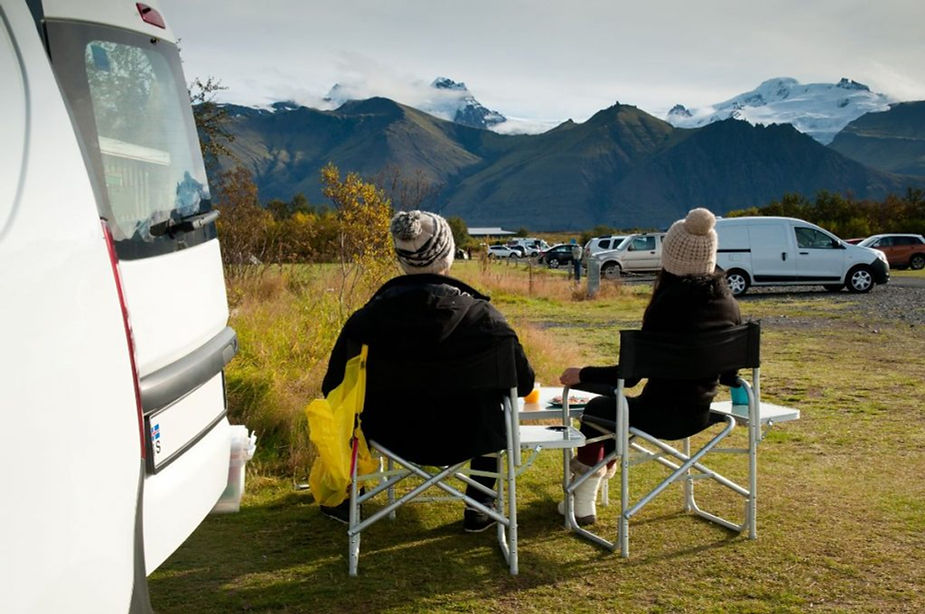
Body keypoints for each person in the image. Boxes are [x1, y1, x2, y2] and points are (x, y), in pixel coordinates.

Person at [320, 210, 535, 532]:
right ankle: (481, 503)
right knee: (491, 406)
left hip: (390, 435)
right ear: (448, 256)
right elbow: (523, 382)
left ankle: (353, 495)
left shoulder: (366, 321)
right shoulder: (486, 320)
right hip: (470, 437)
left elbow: (333, 386)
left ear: (401, 260)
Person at [558, 208, 741, 526]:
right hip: (699, 415)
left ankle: (583, 499)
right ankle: (582, 493)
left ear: (671, 257)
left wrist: (583, 374)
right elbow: (730, 374)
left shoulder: (665, 306)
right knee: (614, 414)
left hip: (655, 415)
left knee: (599, 410)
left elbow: (630, 378)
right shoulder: (728, 304)